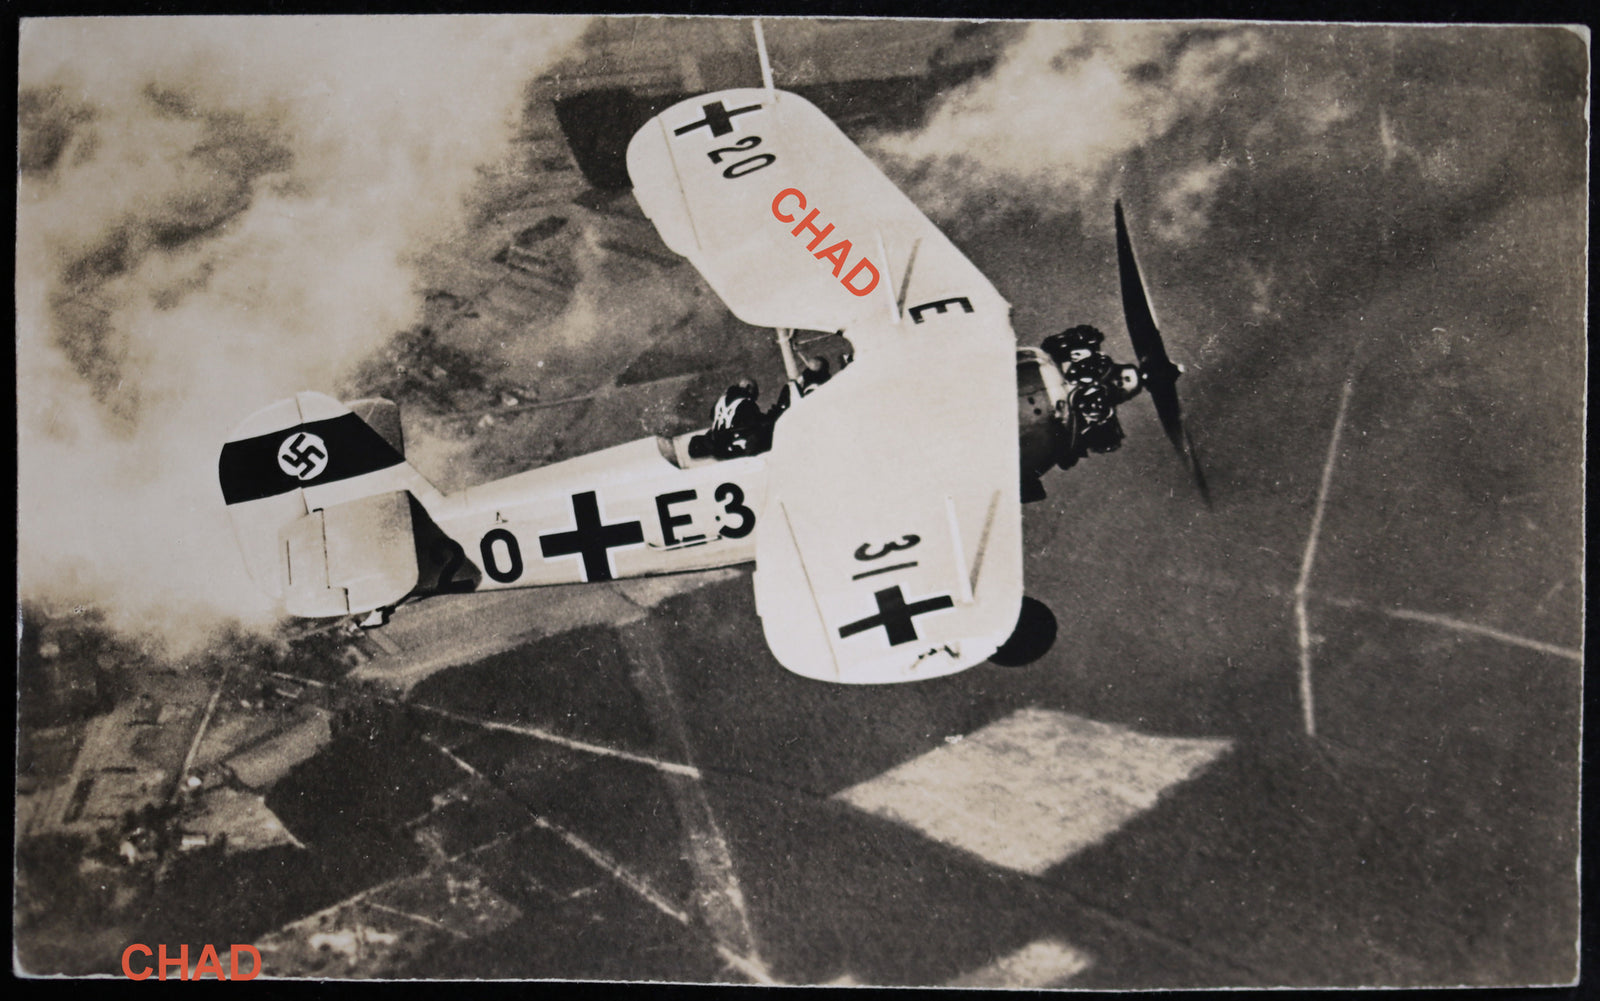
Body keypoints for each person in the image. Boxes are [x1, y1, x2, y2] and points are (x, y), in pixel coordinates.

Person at [708, 378, 767, 458]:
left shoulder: (721, 400)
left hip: (717, 442)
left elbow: (712, 415)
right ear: (749, 388)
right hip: (732, 444)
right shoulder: (746, 403)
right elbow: (756, 420)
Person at [768, 355, 831, 419]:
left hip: (807, 400)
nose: (807, 368)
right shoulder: (823, 377)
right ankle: (779, 409)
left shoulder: (810, 376)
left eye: (810, 367)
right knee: (791, 386)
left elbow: (798, 382)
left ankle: (779, 410)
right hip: (809, 396)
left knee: (790, 385)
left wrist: (796, 382)